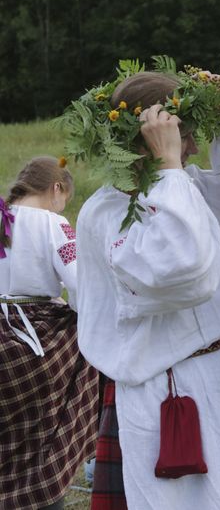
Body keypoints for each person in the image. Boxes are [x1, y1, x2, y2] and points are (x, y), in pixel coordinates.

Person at [74, 72, 220, 509]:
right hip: (168, 395)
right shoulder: (107, 212)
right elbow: (182, 269)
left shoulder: (188, 187)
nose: (191, 147)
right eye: (182, 135)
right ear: (148, 138)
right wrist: (170, 166)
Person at [0, 157, 99, 510]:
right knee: (43, 445)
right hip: (37, 347)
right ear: (57, 189)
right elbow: (82, 287)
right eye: (65, 198)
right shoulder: (53, 223)